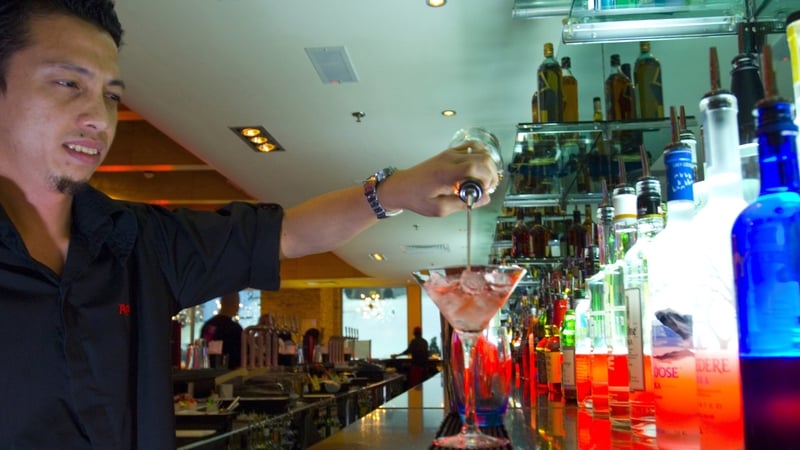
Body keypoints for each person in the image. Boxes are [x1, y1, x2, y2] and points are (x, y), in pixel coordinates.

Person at [0, 1, 499, 448]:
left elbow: (287, 234)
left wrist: (395, 192)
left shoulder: (140, 241)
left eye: (111, 95)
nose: (98, 118)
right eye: (68, 83)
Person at [200, 292, 243, 369]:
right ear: (235, 304)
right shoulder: (235, 328)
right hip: (229, 374)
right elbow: (241, 354)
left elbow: (203, 349)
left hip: (206, 370)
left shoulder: (208, 325)